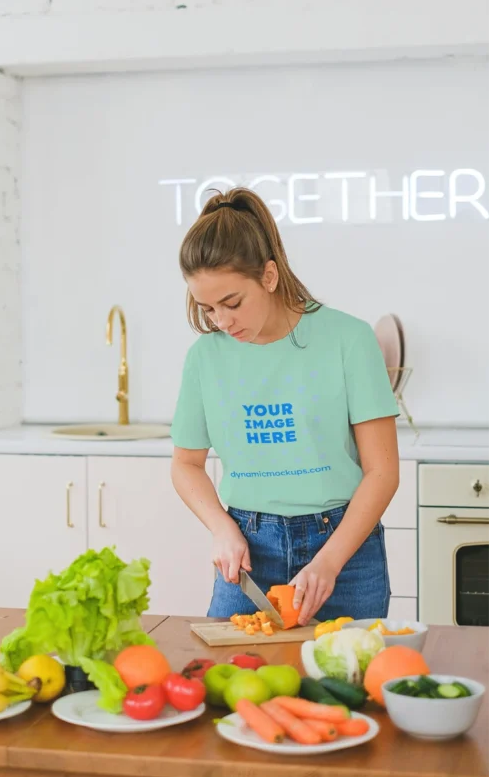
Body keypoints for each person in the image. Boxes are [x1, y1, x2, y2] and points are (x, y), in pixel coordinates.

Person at [170, 187, 399, 626]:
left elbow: (383, 471)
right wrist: (221, 528)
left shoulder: (348, 340)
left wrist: (329, 562)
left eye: (232, 303)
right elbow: (186, 464)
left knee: (345, 685)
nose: (221, 321)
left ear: (269, 276)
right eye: (208, 308)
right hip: (250, 550)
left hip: (345, 549)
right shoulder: (205, 357)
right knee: (234, 686)